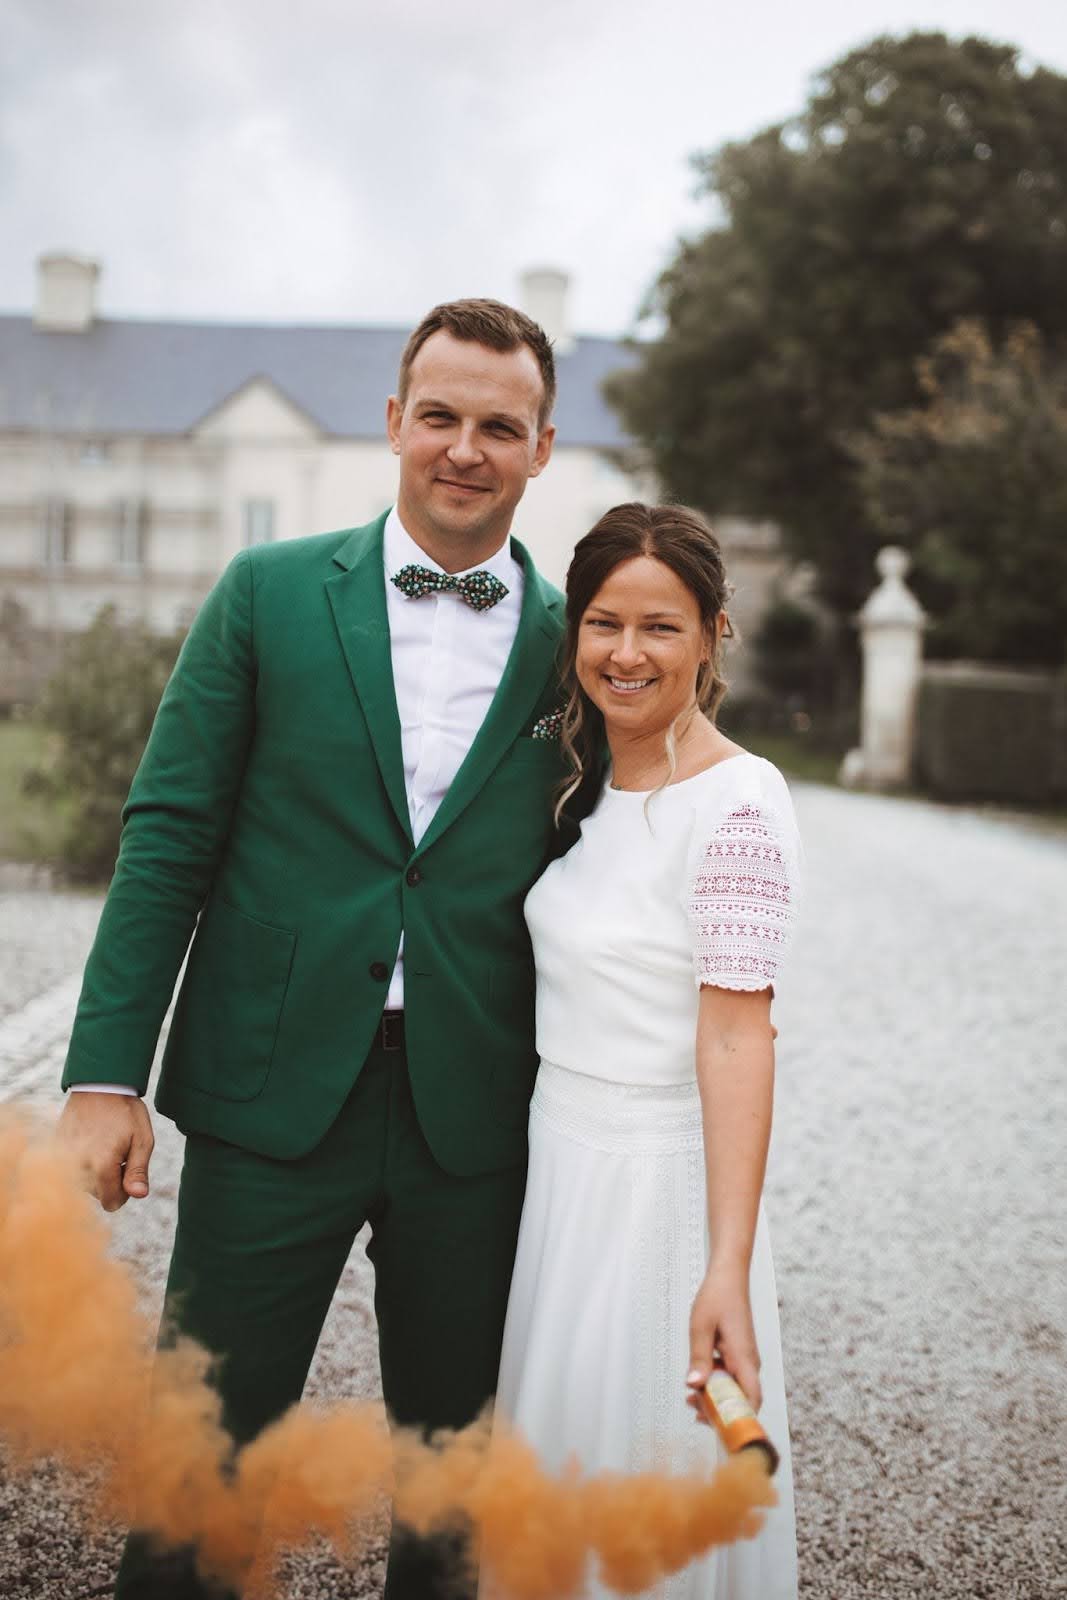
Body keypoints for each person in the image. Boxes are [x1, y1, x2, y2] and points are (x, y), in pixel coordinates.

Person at [56, 297, 584, 1600]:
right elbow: (170, 833)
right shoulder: (269, 594)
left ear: (541, 448)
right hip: (267, 1090)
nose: (466, 447)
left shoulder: (580, 644)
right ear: (395, 422)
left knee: (452, 1475)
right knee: (203, 1455)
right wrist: (102, 1078)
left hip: (479, 1109)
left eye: (498, 427)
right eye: (442, 417)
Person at [489, 502, 802, 1600]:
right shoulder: (583, 782)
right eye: (602, 623)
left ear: (714, 633)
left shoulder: (738, 805)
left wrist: (722, 1261)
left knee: (635, 1485)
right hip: (560, 1171)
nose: (626, 653)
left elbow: (735, 1035)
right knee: (555, 1473)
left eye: (660, 627)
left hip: (652, 1192)